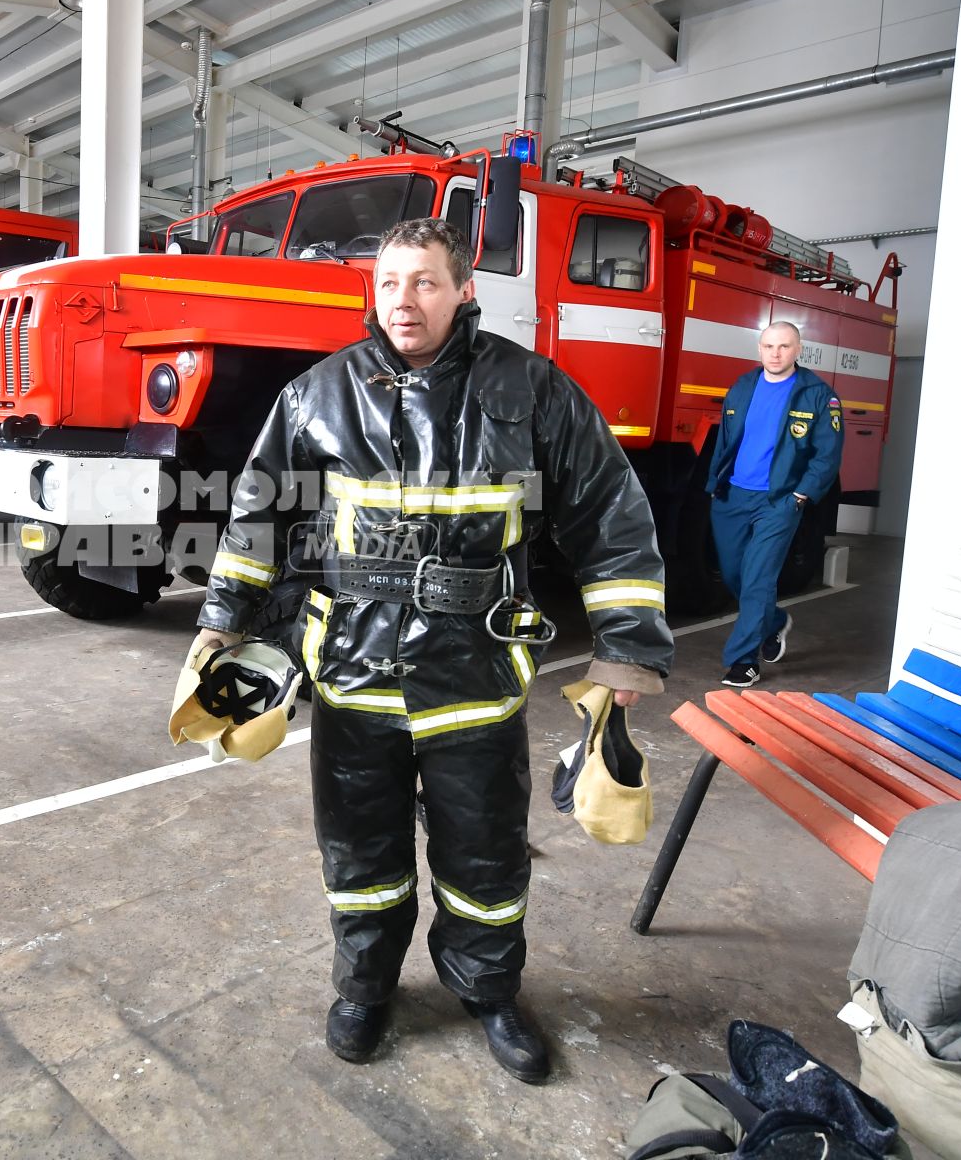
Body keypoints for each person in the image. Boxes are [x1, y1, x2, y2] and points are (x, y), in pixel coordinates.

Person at [188, 218, 673, 1083]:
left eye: (424, 282)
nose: (404, 301)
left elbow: (609, 512)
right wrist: (222, 621)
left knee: (484, 858)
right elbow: (258, 515)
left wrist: (626, 652)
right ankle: (365, 987)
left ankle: (488, 990)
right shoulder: (315, 396)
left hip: (476, 676)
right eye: (389, 284)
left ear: (463, 291)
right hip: (352, 673)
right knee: (360, 857)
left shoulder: (533, 390)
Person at [705, 322, 844, 689]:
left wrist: (800, 495)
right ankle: (774, 622)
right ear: (760, 349)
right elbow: (725, 441)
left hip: (779, 500)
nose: (775, 354)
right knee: (734, 574)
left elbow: (827, 455)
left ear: (799, 349)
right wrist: (714, 483)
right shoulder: (743, 386)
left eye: (784, 346)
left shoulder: (817, 395)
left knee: (757, 578)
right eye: (769, 346)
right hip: (733, 496)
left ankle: (743, 660)